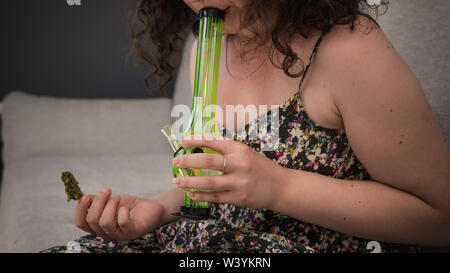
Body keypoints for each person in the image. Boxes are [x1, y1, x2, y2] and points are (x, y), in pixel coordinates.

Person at [42, 0, 450, 253]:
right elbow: (224, 182)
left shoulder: (350, 48)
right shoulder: (210, 42)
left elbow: (441, 218)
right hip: (210, 239)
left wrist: (279, 187)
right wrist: (159, 210)